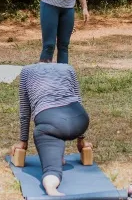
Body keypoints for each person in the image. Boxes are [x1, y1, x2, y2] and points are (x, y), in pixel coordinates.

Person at [11, 63, 91, 197]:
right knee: (56, 131)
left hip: (52, 124)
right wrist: (81, 140)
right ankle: (56, 155)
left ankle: (51, 185)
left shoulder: (26, 71)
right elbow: (78, 98)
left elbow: (25, 111)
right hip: (80, 119)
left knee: (46, 133)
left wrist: (23, 141)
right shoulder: (68, 68)